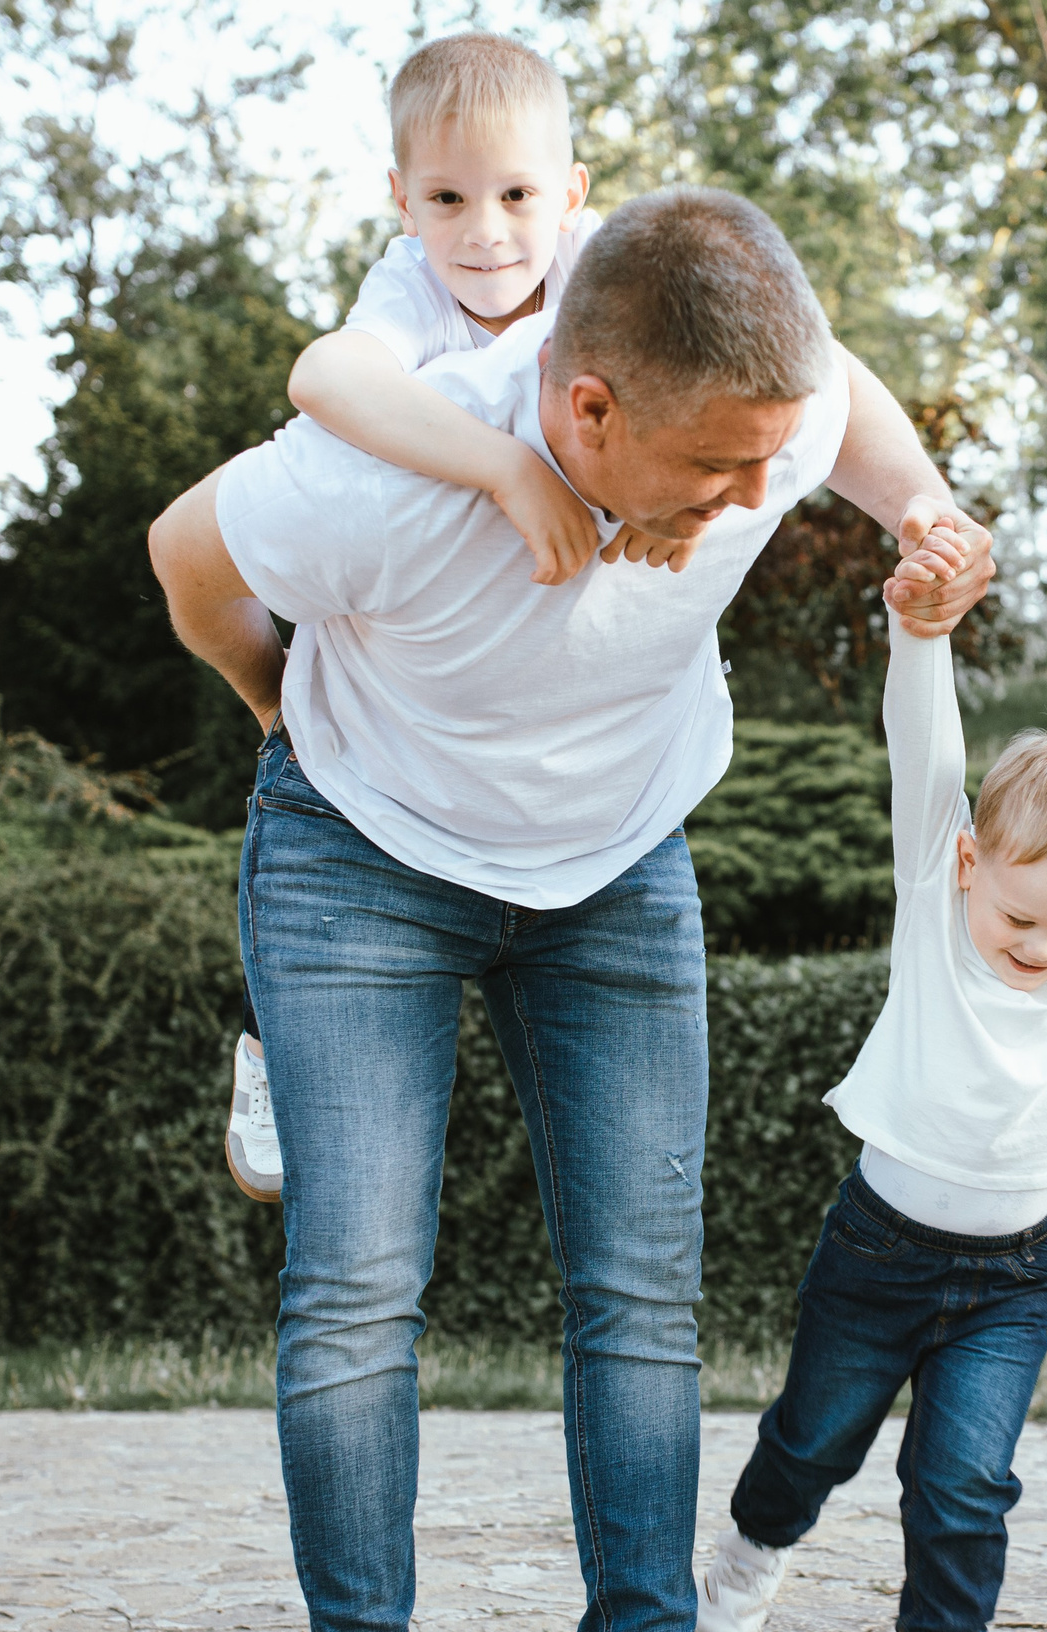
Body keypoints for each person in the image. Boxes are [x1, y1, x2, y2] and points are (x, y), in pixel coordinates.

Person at [145, 185, 995, 1632]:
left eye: (781, 452)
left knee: (638, 1290)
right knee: (358, 1286)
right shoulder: (389, 469)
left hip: (615, 866)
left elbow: (841, 408)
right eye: (725, 467)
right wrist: (289, 725)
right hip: (361, 863)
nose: (765, 498)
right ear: (584, 408)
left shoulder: (767, 406)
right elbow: (187, 558)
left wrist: (918, 498)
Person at [687, 567, 1047, 1632]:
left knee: (967, 1477)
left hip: (1011, 1274)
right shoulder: (935, 896)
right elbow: (921, 754)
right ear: (970, 862)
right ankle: (748, 1556)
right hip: (877, 1248)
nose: (1043, 946)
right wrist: (918, 633)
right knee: (814, 1439)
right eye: (1021, 916)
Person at [220, 31, 693, 1205]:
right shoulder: (412, 285)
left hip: (556, 719)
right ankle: (284, 1041)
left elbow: (730, 374)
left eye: (518, 194)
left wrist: (671, 494)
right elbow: (327, 382)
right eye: (446, 198)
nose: (485, 230)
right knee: (319, 790)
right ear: (401, 200)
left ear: (572, 193)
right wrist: (500, 466)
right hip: (390, 675)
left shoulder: (606, 269)